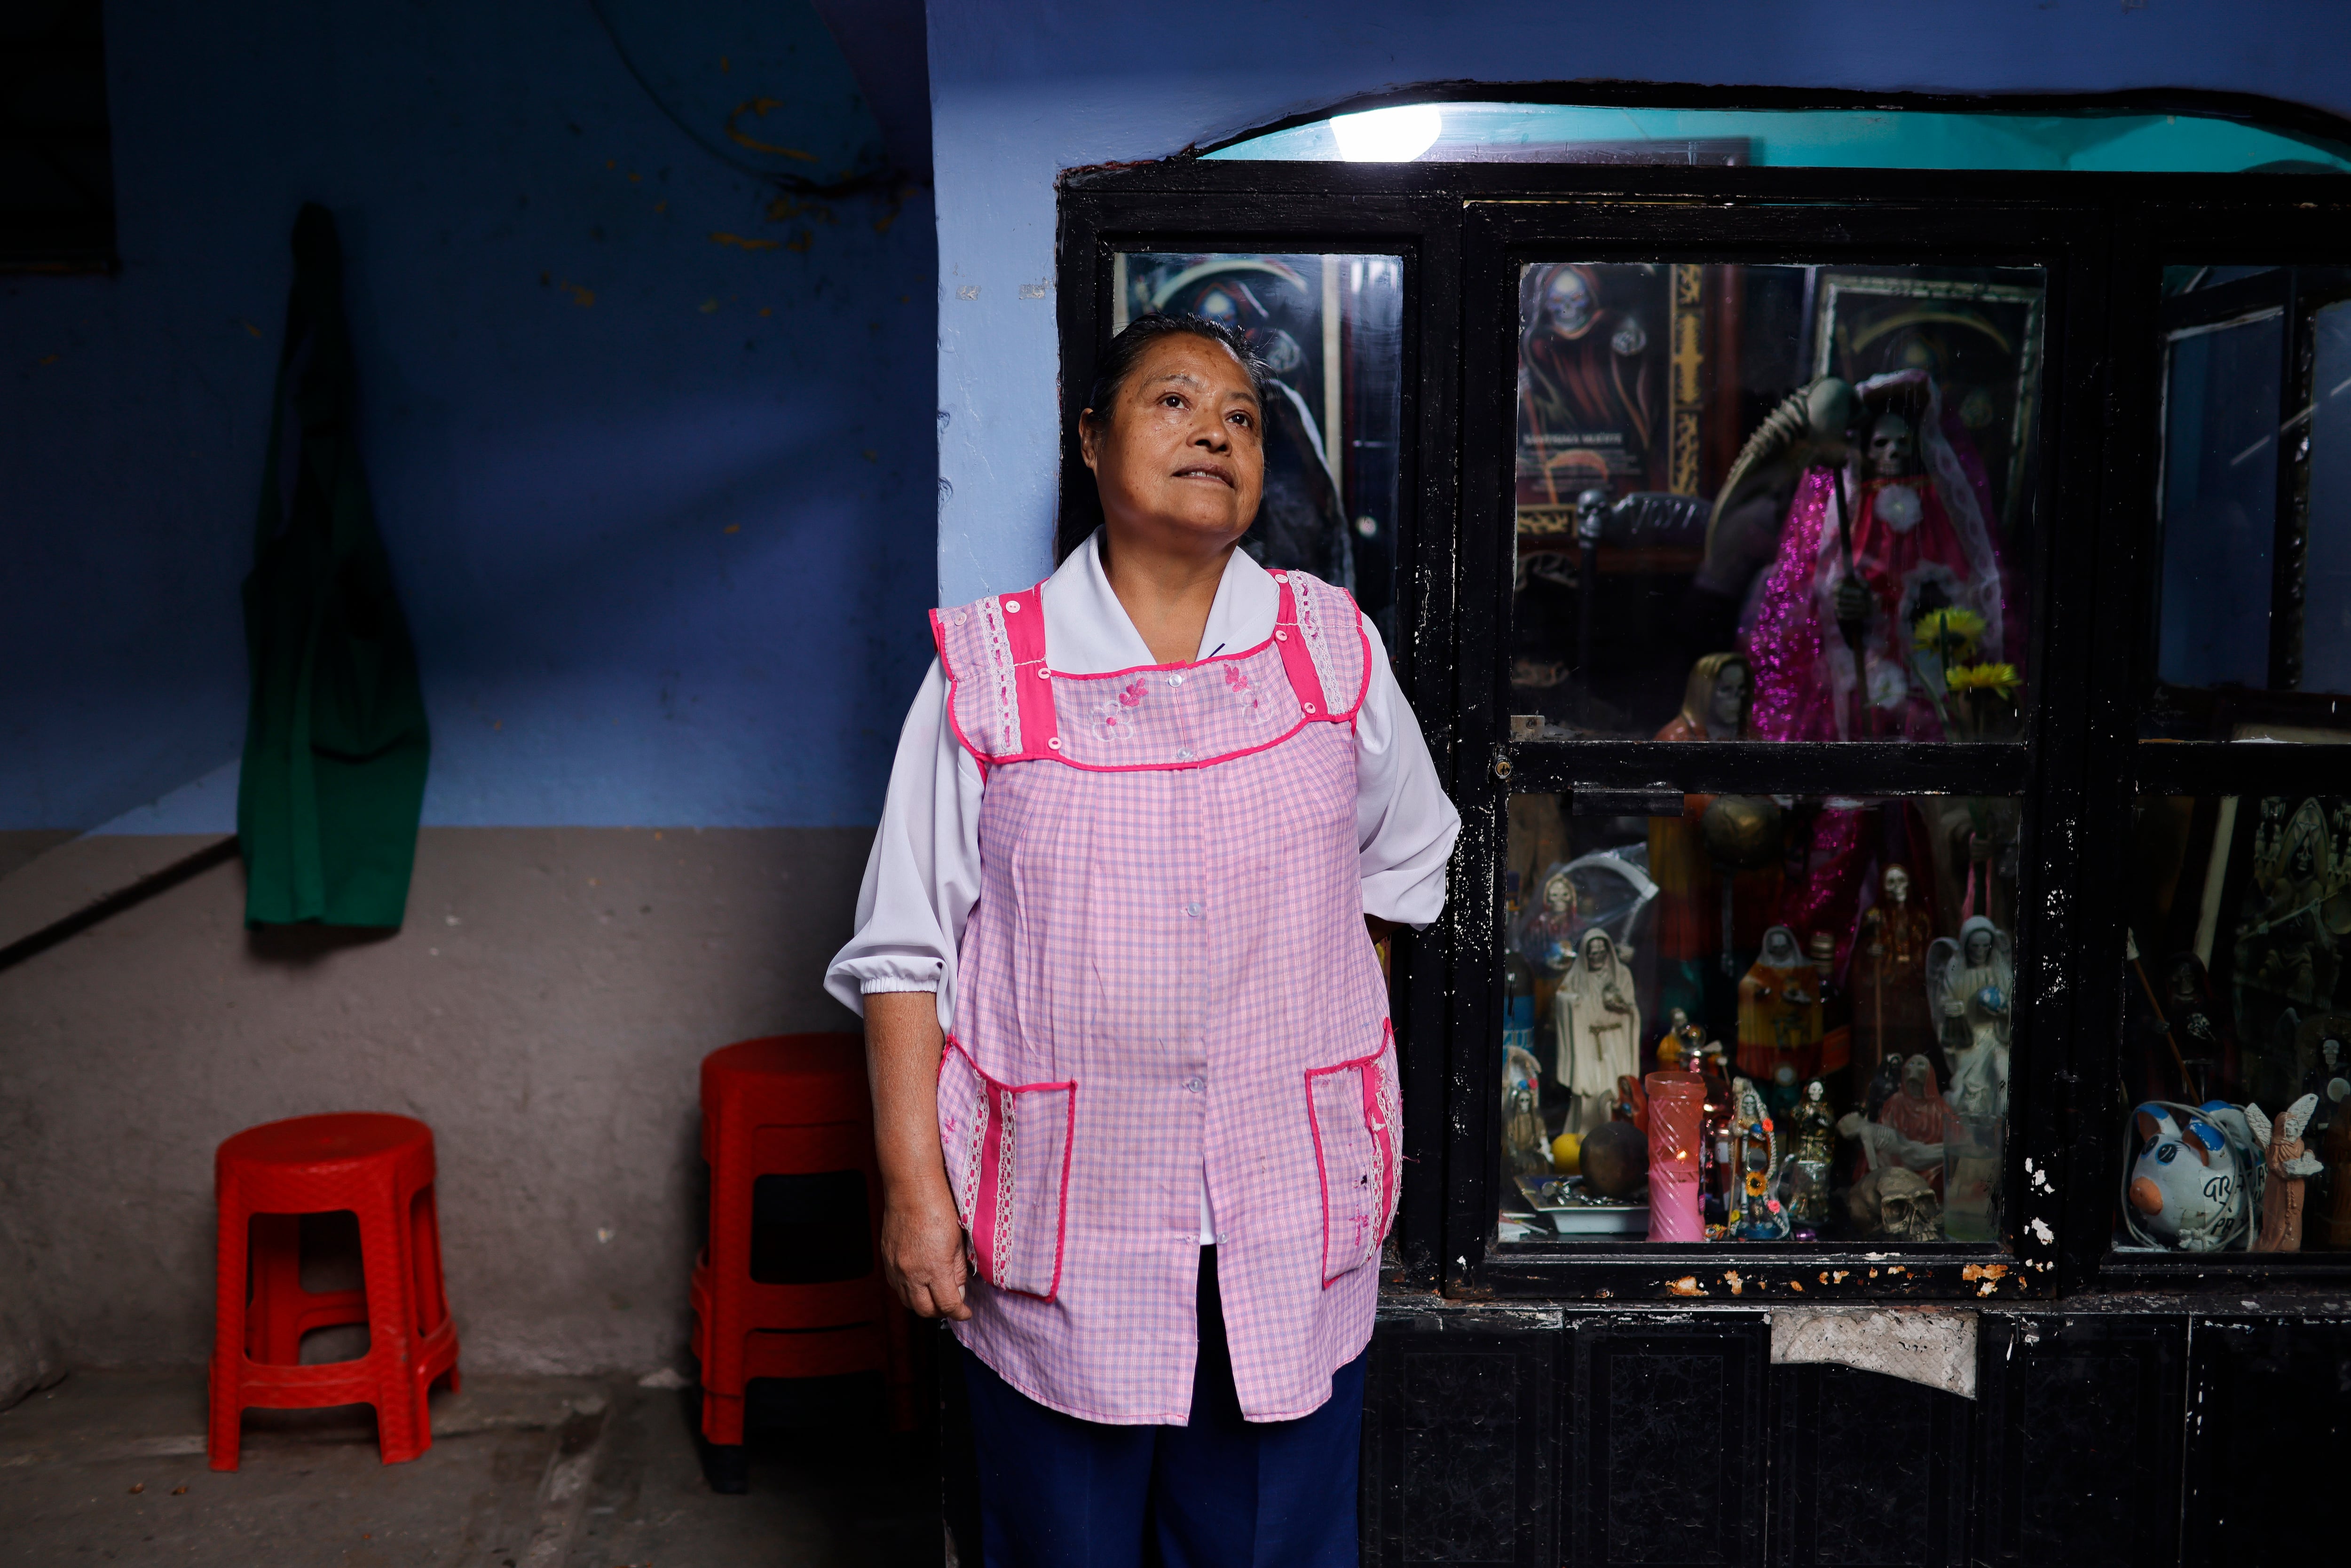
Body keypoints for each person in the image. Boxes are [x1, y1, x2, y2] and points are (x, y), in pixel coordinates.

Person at [827, 312, 1460, 1568]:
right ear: (1089, 439)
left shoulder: (1331, 648)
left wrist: (1304, 1018)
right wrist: (915, 1193)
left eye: (1242, 418)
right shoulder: (993, 670)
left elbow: (1407, 864)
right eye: (1175, 403)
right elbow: (906, 950)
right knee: (1062, 1547)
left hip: (1285, 1217)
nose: (1216, 433)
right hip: (1070, 1217)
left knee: (1270, 1545)